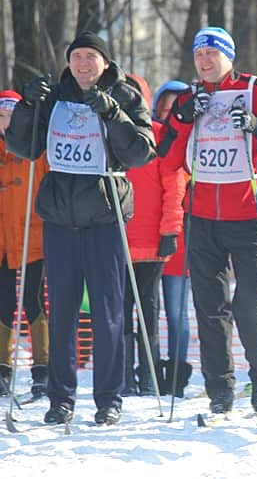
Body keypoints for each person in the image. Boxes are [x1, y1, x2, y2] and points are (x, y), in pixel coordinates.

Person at [6, 31, 155, 425]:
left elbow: (141, 152)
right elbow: (25, 148)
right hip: (60, 219)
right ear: (69, 61)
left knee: (107, 313)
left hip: (105, 220)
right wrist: (26, 104)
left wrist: (112, 113)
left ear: (105, 62)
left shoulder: (124, 95)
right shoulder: (54, 95)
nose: (83, 63)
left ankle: (109, 400)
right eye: (77, 57)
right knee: (62, 314)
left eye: (91, 56)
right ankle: (61, 399)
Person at [159, 26, 257, 416]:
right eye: (198, 55)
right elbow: (168, 158)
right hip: (202, 216)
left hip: (248, 215)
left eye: (212, 53)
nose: (205, 61)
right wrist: (184, 119)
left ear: (228, 55)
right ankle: (219, 389)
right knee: (209, 308)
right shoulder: (190, 98)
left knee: (251, 303)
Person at [121, 74, 186, 397]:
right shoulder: (109, 136)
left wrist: (170, 230)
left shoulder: (160, 135)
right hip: (116, 241)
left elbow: (174, 186)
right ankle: (121, 377)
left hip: (149, 242)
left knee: (148, 313)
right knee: (117, 314)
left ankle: (148, 378)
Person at [0, 90, 49, 399]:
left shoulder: (34, 148)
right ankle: (3, 368)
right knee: (4, 301)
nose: (5, 121)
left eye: (9, 115)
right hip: (3, 239)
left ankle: (42, 369)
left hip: (32, 235)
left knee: (32, 299)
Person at [152, 80, 193, 397]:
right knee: (149, 312)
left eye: (176, 109)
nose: (170, 116)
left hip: (181, 235)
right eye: (166, 109)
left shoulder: (193, 140)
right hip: (148, 237)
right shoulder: (148, 138)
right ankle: (150, 370)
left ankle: (178, 373)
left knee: (177, 311)